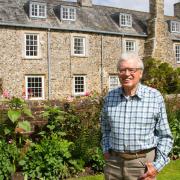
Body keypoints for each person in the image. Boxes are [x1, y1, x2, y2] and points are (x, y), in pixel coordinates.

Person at [100, 53, 173, 180]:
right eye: (122, 70)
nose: (126, 74)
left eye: (131, 70)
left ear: (140, 73)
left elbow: (165, 136)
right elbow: (105, 129)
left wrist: (157, 166)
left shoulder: (154, 97)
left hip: (142, 165)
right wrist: (106, 150)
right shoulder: (110, 97)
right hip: (113, 164)